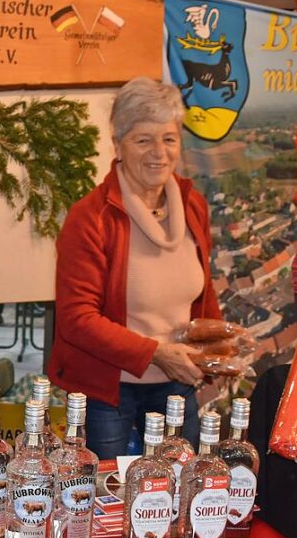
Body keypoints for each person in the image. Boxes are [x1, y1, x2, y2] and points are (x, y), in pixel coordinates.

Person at [48, 77, 220, 458]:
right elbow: (77, 318)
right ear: (118, 146)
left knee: (179, 490)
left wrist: (218, 352)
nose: (158, 152)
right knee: (104, 499)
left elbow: (203, 296)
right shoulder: (89, 217)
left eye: (169, 138)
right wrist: (157, 352)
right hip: (108, 390)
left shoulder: (194, 206)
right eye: (143, 140)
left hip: (177, 382)